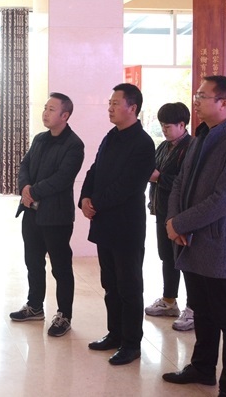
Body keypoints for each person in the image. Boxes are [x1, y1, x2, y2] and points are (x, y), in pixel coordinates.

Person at [162, 76, 226, 397]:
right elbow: (179, 182)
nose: (196, 100)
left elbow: (224, 199)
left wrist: (181, 224)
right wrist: (174, 220)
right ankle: (203, 368)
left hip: (219, 245)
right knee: (202, 311)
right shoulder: (201, 135)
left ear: (224, 104)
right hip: (190, 241)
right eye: (197, 94)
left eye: (203, 96)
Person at [79, 83, 155, 365]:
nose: (109, 108)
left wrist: (96, 202)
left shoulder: (143, 143)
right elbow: (94, 169)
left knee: (129, 286)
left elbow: (129, 186)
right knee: (109, 283)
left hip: (126, 226)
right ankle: (115, 334)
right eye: (109, 103)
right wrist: (85, 198)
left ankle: (132, 344)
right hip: (105, 224)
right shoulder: (111, 136)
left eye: (115, 103)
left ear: (132, 108)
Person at [9, 92, 85, 338]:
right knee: (33, 262)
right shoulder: (40, 139)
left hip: (56, 217)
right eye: (45, 108)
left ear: (65, 115)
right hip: (31, 213)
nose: (45, 113)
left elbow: (63, 178)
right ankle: (35, 306)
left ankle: (64, 315)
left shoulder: (74, 144)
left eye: (51, 109)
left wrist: (33, 191)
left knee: (61, 268)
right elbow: (24, 165)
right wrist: (24, 187)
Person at [145, 102, 195, 332]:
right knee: (167, 257)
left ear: (182, 125)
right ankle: (169, 301)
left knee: (185, 260)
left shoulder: (191, 148)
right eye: (162, 125)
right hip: (161, 211)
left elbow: (186, 183)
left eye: (168, 126)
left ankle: (193, 308)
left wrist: (158, 178)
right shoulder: (163, 147)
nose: (164, 130)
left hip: (180, 214)